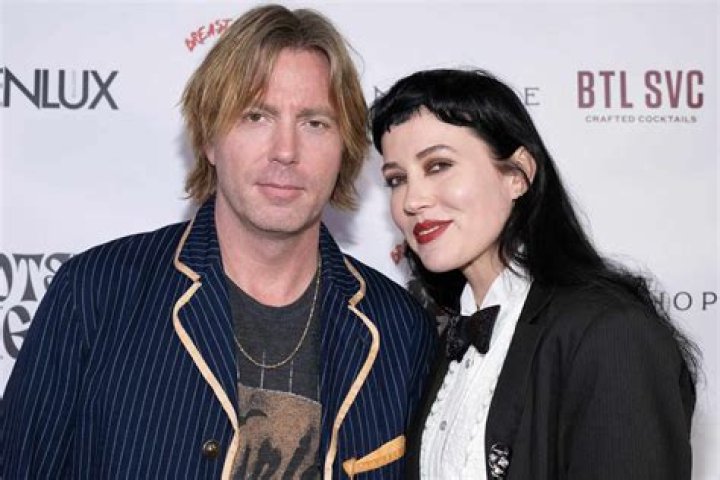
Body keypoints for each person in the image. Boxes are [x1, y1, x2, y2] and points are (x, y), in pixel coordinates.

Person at [2, 5, 436, 479]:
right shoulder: (95, 295)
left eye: (314, 123)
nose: (285, 151)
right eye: (257, 116)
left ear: (344, 148)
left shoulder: (400, 330)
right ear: (209, 139)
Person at [370, 69, 697, 480]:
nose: (412, 200)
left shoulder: (611, 331)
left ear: (517, 174)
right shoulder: (443, 339)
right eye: (397, 179)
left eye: (438, 165)